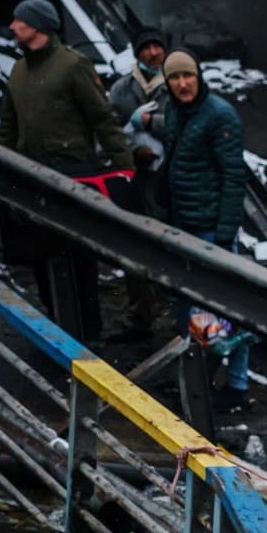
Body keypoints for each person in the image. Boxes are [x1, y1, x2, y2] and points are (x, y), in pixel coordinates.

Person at [0, 0, 131, 338]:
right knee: (40, 256)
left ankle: (88, 334)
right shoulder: (18, 70)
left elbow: (101, 117)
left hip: (74, 174)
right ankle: (57, 325)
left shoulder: (73, 65)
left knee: (78, 258)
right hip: (32, 176)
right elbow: (8, 127)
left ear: (37, 25)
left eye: (19, 20)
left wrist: (123, 166)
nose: (12, 26)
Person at [150, 51, 251, 410]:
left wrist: (225, 234)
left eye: (187, 77)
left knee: (227, 306)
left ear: (199, 76)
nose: (182, 84)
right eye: (174, 78)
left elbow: (233, 177)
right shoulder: (177, 111)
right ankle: (198, 378)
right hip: (184, 225)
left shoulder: (220, 116)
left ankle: (236, 385)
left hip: (211, 229)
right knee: (186, 304)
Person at [109, 27, 167, 339]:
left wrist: (148, 123)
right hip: (134, 178)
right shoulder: (121, 90)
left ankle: (171, 316)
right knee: (134, 245)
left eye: (158, 47)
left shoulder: (176, 82)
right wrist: (133, 152)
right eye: (147, 48)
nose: (154, 53)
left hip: (168, 178)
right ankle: (141, 315)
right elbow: (109, 130)